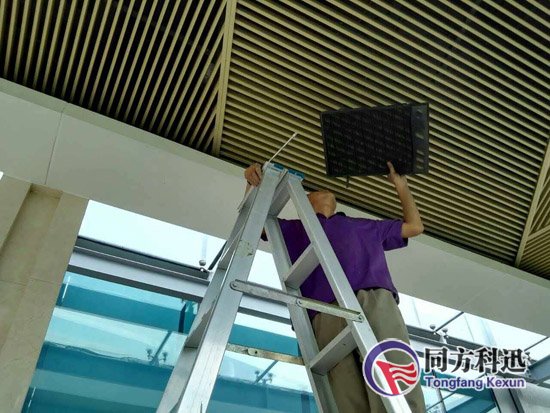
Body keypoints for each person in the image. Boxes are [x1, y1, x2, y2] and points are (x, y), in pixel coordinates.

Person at [244, 161, 426, 412]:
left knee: (393, 368)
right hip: (322, 310)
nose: (324, 192)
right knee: (345, 392)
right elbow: (253, 223)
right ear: (306, 202)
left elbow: (415, 226)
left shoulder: (366, 226)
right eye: (315, 192)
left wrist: (401, 185)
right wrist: (251, 182)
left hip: (373, 297)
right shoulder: (295, 229)